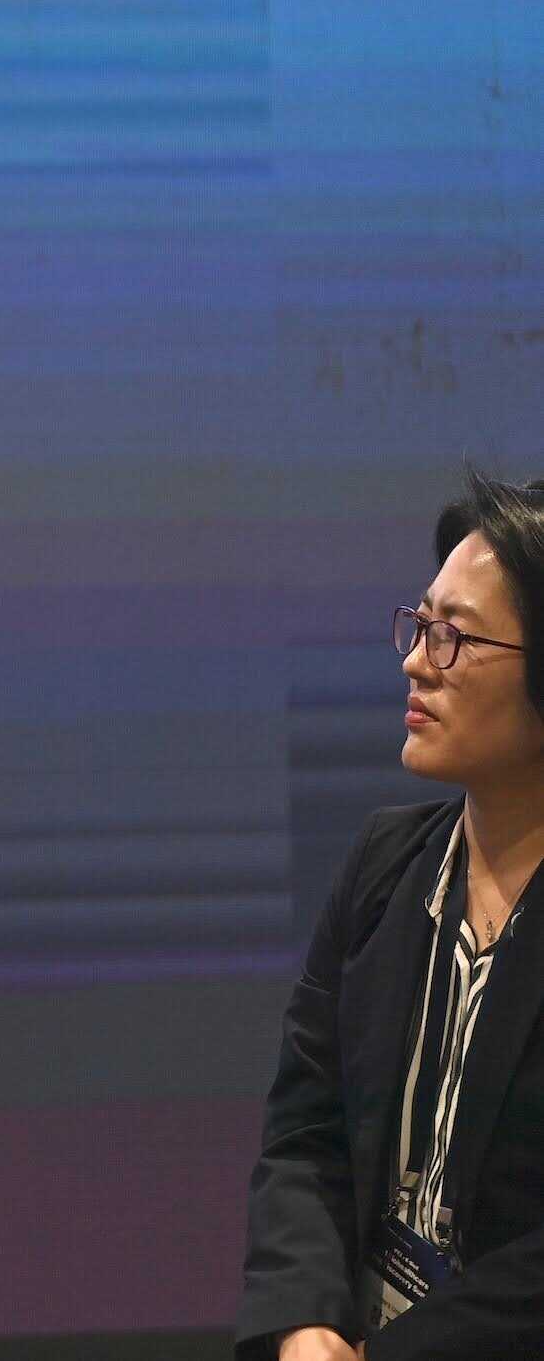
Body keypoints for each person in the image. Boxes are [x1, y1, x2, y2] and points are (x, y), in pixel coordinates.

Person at [238, 471, 544, 1359]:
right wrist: (305, 1322)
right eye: (420, 624)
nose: (416, 660)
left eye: (455, 637)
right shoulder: (385, 865)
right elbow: (306, 1132)